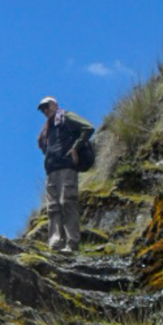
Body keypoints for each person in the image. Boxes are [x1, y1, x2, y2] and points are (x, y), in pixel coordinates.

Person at [37, 96, 94, 253]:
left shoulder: (66, 117)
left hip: (67, 167)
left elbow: (88, 128)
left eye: (47, 106)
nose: (45, 111)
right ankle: (55, 242)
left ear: (55, 105)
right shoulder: (47, 127)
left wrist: (75, 148)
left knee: (67, 202)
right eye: (42, 109)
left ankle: (72, 242)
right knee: (53, 207)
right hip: (51, 170)